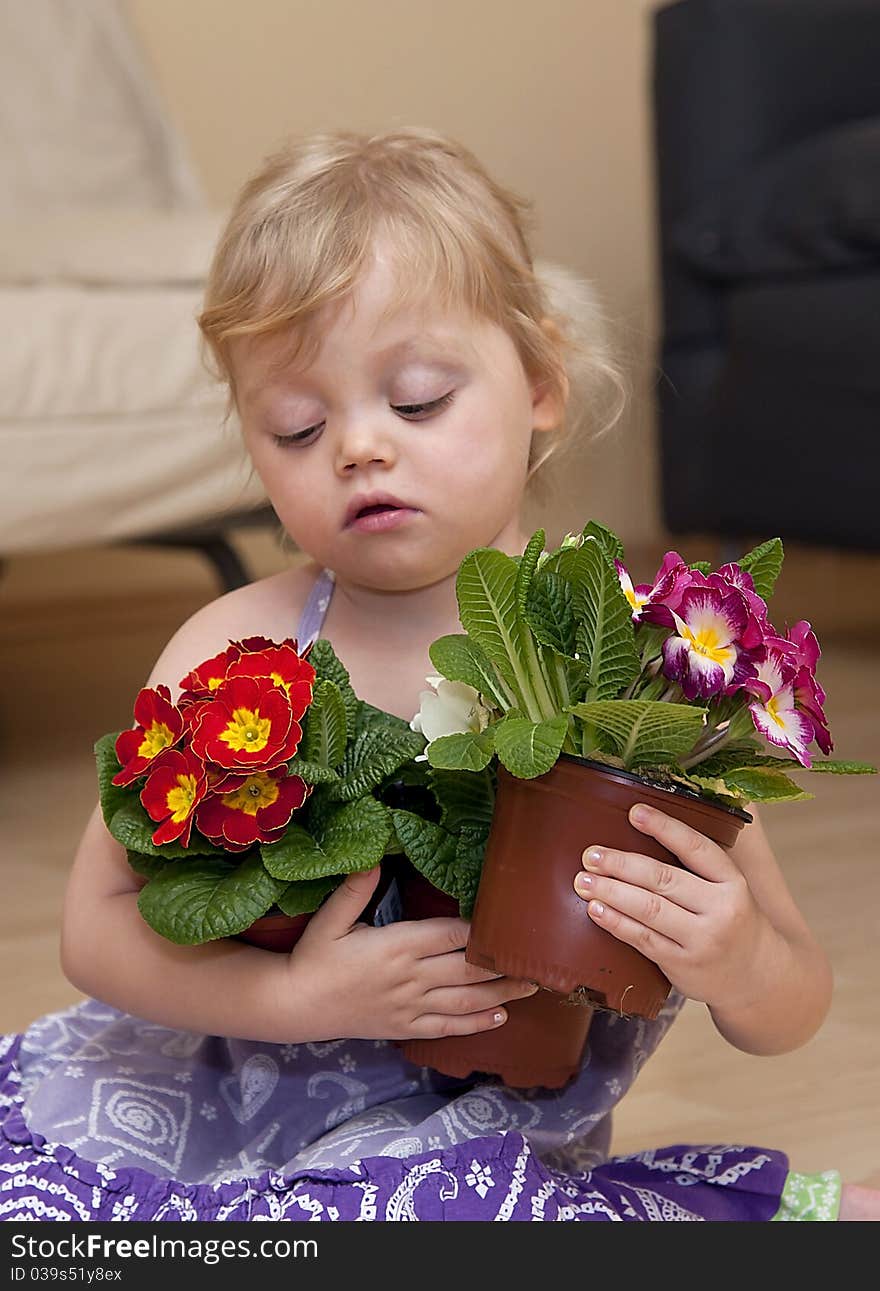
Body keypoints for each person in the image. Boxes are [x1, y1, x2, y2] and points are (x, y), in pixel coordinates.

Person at [2, 128, 876, 1223]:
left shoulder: (635, 660)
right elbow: (96, 928)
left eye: (416, 401)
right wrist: (288, 995)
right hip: (216, 1128)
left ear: (543, 382)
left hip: (481, 1154)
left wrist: (735, 954)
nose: (358, 447)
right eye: (296, 425)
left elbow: (789, 999)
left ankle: (768, 1213)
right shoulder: (234, 648)